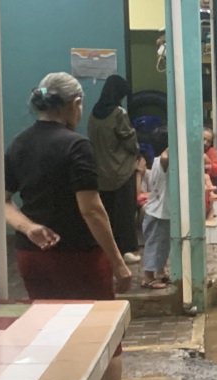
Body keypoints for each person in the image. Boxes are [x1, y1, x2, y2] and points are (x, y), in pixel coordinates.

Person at [4, 72, 142, 380]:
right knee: (106, 339)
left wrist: (28, 226)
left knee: (50, 335)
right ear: (74, 104)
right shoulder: (75, 146)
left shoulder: (17, 144)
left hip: (32, 258)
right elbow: (92, 210)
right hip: (80, 257)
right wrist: (118, 261)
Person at [88, 74, 142, 264]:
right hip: (121, 170)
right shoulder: (119, 113)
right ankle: (127, 250)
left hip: (101, 171)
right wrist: (138, 151)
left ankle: (107, 249)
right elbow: (129, 140)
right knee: (126, 212)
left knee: (107, 212)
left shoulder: (94, 113)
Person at [141, 127, 171, 289]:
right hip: (157, 212)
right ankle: (148, 277)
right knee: (154, 244)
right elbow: (167, 156)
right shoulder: (163, 161)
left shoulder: (157, 161)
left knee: (163, 244)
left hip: (161, 211)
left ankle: (159, 272)